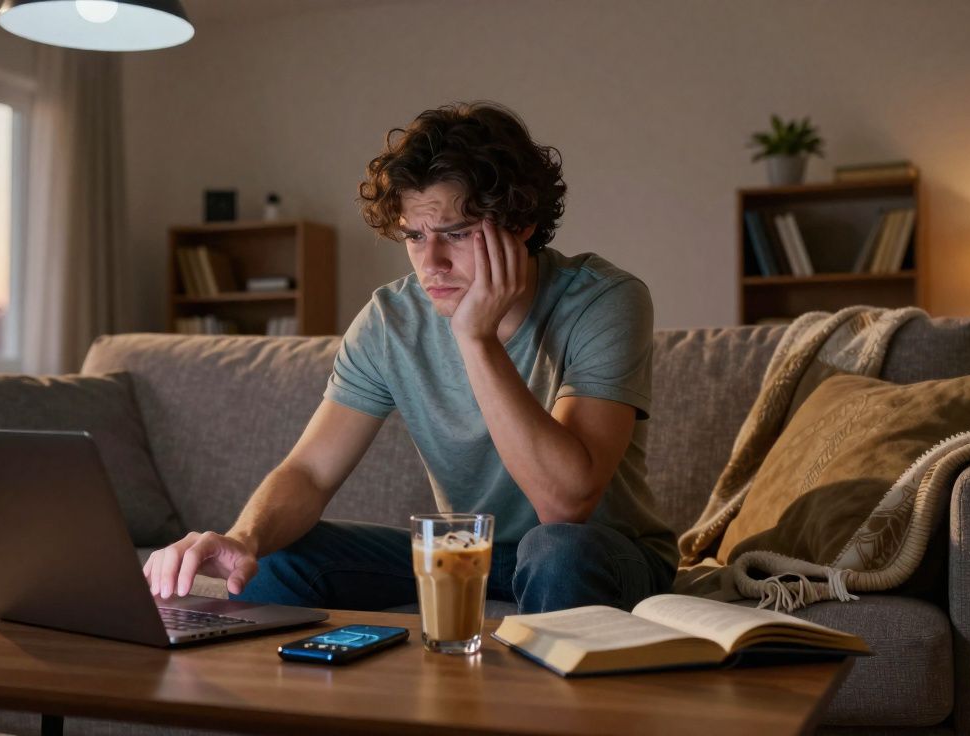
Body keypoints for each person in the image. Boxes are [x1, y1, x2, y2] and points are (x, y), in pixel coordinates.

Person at [143, 102, 677, 614]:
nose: (432, 263)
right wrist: (243, 538)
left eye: (457, 234)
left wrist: (477, 339)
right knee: (278, 561)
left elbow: (565, 505)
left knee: (556, 551)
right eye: (415, 236)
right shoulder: (390, 320)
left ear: (520, 225)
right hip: (466, 551)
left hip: (597, 551)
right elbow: (310, 472)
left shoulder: (604, 300)